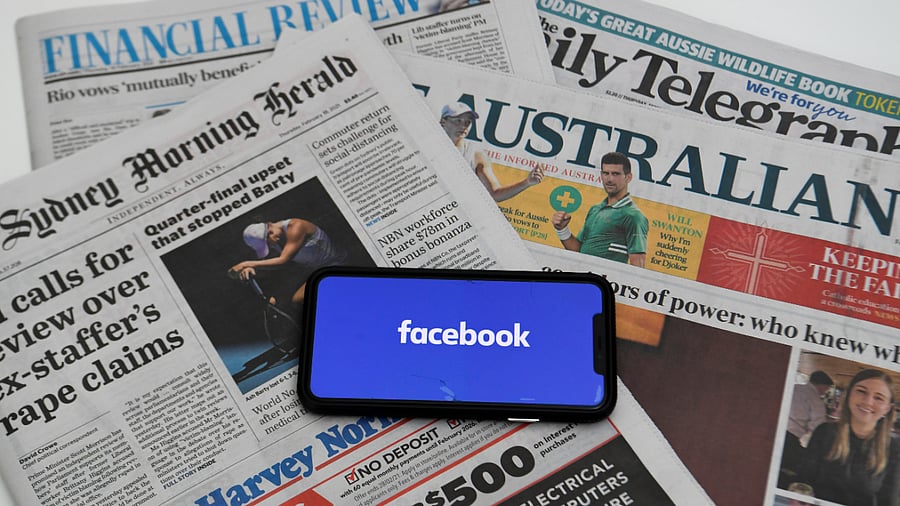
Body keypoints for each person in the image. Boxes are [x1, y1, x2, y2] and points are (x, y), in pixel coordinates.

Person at [798, 368, 899, 505]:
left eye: (878, 398)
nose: (868, 402)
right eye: (861, 391)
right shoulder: (824, 432)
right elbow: (803, 483)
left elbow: (890, 501)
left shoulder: (894, 449)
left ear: (887, 408)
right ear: (849, 394)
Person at [551, 152, 648, 266]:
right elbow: (578, 250)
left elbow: (638, 265)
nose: (609, 179)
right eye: (606, 173)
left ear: (628, 177)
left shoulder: (634, 216)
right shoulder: (595, 209)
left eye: (615, 174)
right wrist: (561, 229)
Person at [439, 102, 543, 201]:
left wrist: (527, 182)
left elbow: (495, 193)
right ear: (443, 122)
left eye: (468, 122)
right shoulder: (426, 143)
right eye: (458, 121)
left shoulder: (476, 155)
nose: (463, 126)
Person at [229, 218, 345, 305]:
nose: (271, 246)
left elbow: (283, 260)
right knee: (276, 301)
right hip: (312, 271)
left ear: (270, 232)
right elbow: (270, 263)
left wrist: (248, 264)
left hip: (335, 265)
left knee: (299, 299)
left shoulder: (296, 226)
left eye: (268, 243)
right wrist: (250, 269)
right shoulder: (276, 238)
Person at [782, 371, 834, 482]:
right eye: (826, 389)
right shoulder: (816, 401)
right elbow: (819, 427)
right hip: (790, 438)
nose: (825, 392)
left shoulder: (794, 387)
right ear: (822, 386)